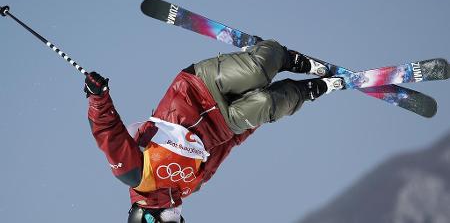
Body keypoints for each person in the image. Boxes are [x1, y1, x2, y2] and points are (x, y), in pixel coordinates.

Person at [85, 39, 343, 223]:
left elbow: (107, 132)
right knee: (267, 104)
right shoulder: (190, 187)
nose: (179, 219)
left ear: (148, 219)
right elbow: (225, 147)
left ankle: (283, 58)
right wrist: (261, 118)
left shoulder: (136, 176)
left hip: (196, 89)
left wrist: (97, 97)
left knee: (258, 70)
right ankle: (309, 90)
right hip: (226, 124)